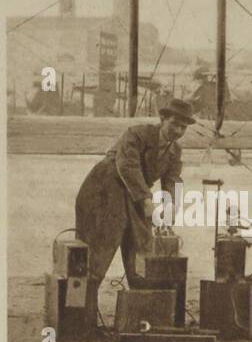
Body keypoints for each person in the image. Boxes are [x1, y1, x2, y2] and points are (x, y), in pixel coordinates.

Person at [74, 97, 193, 290]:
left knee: (142, 244)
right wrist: (146, 201)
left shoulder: (175, 152)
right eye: (174, 124)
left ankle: (140, 301)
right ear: (162, 118)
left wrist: (169, 208)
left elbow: (172, 180)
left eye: (183, 127)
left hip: (134, 193)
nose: (178, 131)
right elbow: (127, 166)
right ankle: (81, 309)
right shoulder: (137, 134)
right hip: (104, 187)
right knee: (102, 245)